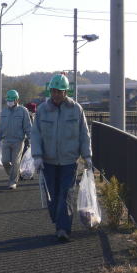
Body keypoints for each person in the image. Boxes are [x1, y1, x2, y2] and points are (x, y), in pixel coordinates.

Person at [31, 74, 92, 241]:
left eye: (59, 91)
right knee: (53, 195)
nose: (56, 94)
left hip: (69, 160)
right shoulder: (42, 109)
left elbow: (84, 134)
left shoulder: (76, 109)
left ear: (66, 92)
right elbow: (35, 134)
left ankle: (63, 229)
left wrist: (87, 156)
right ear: (50, 91)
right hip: (48, 161)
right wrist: (37, 156)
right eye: (53, 91)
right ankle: (58, 220)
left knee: (65, 194)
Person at [0, 89, 32, 190]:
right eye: (8, 100)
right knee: (5, 161)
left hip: (18, 141)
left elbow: (28, 126)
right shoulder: (4, 111)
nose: (9, 102)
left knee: (15, 162)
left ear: (17, 100)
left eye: (11, 100)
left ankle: (12, 181)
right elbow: (1, 126)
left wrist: (31, 138)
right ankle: (15, 174)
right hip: (6, 141)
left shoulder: (23, 111)